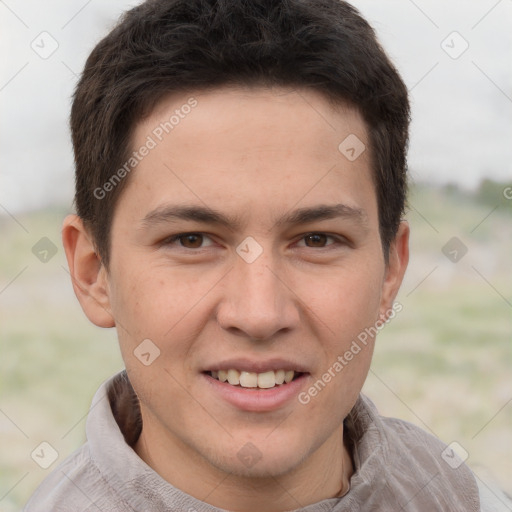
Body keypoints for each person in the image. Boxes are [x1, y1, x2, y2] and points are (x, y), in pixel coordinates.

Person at [24, 0, 510, 510]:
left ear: (390, 270)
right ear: (94, 273)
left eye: (317, 239)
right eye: (192, 240)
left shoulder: (469, 499)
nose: (259, 314)